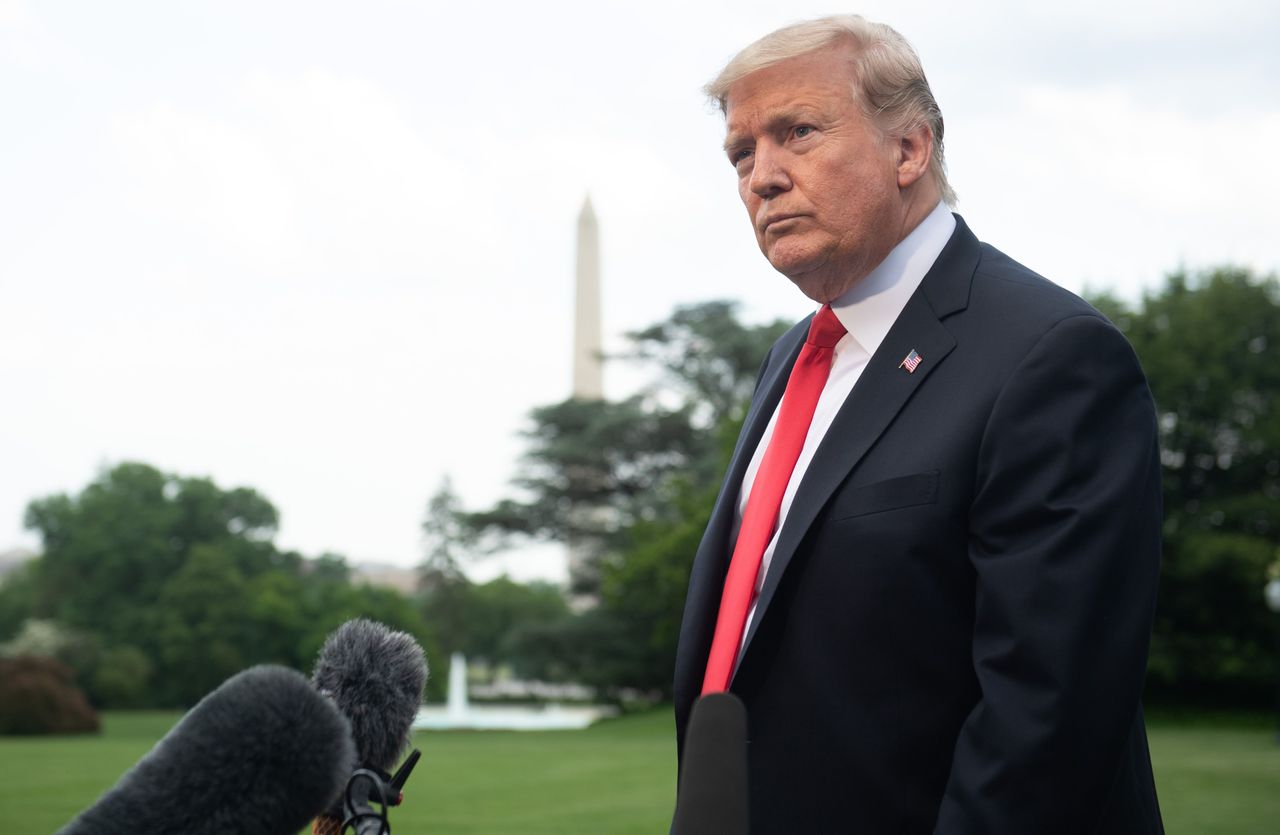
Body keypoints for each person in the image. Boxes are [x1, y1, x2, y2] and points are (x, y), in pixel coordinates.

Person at [672, 15, 1164, 834]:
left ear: (910, 149)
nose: (762, 176)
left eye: (797, 132)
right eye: (741, 152)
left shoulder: (1053, 356)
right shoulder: (793, 357)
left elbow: (1045, 725)